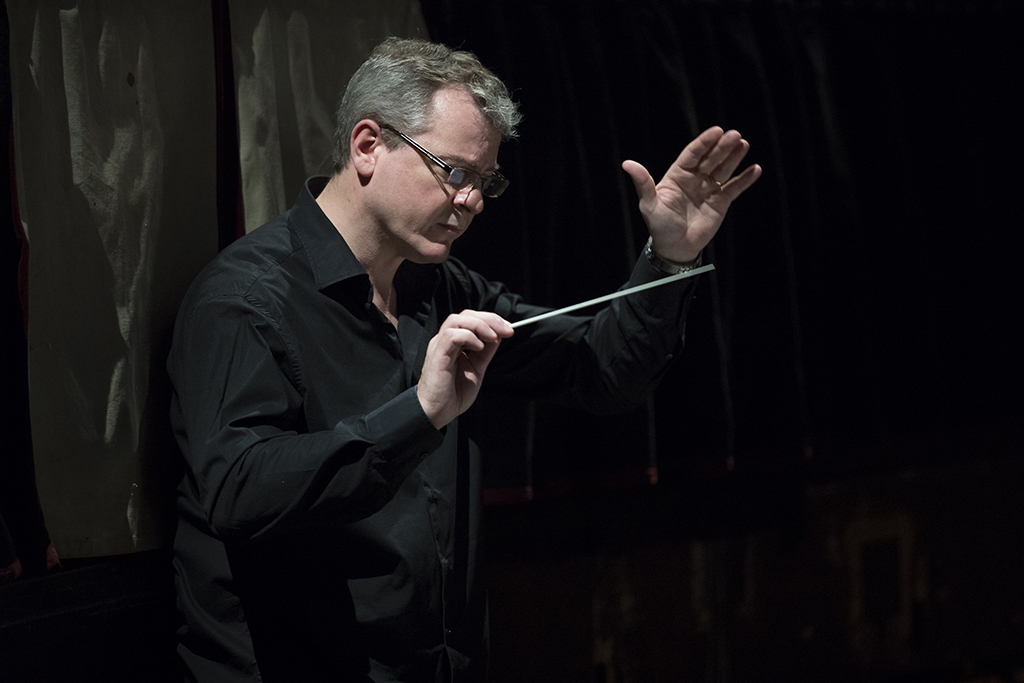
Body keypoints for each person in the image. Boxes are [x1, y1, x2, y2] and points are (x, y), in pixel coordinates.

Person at [167, 37, 760, 683]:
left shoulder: (440, 286)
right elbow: (238, 489)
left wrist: (669, 257)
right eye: (453, 171)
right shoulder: (245, 298)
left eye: (485, 181)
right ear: (368, 145)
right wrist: (418, 412)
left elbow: (598, 369)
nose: (472, 200)